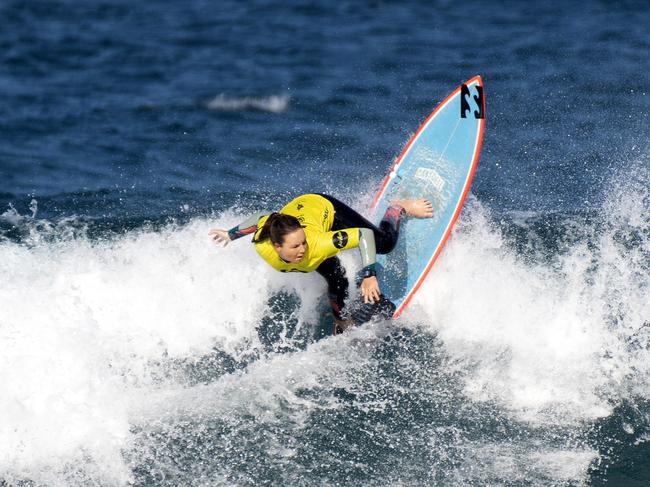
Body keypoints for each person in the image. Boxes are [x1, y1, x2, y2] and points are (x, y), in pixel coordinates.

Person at [209, 193, 433, 334]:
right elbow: (261, 218)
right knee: (336, 277)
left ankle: (398, 207)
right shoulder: (264, 245)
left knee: (383, 244)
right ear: (278, 248)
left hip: (324, 208)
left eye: (302, 244)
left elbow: (363, 235)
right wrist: (231, 234)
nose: (302, 250)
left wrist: (369, 274)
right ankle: (341, 322)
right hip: (296, 218)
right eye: (295, 247)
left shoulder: (316, 244)